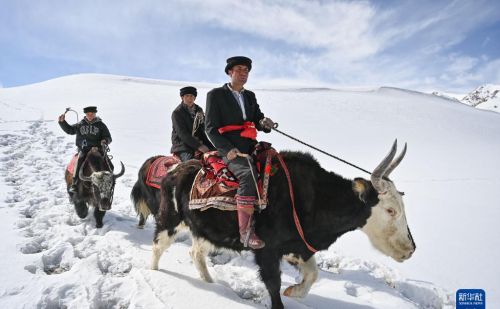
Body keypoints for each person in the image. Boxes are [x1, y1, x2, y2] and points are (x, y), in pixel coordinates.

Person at [205, 56, 275, 249]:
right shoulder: (216, 95)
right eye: (239, 69)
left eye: (246, 70)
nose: (244, 73)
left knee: (279, 167)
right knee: (248, 175)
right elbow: (210, 128)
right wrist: (227, 150)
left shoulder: (250, 96)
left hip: (250, 145)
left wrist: (264, 123)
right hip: (230, 150)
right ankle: (246, 232)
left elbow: (257, 118)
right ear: (230, 72)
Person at [58, 106, 112, 193]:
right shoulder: (80, 124)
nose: (90, 116)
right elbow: (70, 130)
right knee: (79, 161)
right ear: (85, 114)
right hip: (84, 150)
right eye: (88, 114)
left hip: (97, 150)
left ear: (95, 114)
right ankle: (75, 183)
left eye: (92, 114)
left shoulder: (101, 125)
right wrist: (62, 122)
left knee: (109, 163)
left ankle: (110, 180)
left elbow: (108, 137)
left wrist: (105, 140)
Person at [171, 86, 213, 161]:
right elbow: (182, 133)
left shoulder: (199, 110)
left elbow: (202, 129)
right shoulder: (177, 113)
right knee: (191, 165)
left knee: (217, 156)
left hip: (199, 142)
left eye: (192, 96)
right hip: (183, 145)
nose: (189, 98)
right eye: (187, 96)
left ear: (195, 98)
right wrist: (199, 146)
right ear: (182, 97)